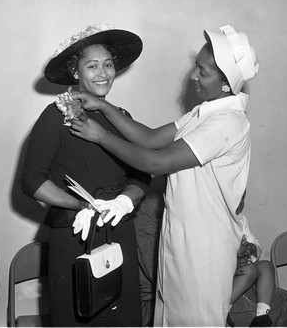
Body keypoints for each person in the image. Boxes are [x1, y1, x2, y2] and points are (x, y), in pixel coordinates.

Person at [70, 24, 260, 326]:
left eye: (203, 72)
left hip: (206, 243)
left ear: (226, 85)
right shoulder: (202, 113)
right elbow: (150, 137)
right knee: (169, 316)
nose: (193, 76)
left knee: (197, 319)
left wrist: (101, 136)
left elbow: (155, 162)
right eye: (195, 67)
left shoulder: (227, 123)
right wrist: (104, 107)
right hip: (181, 234)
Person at [20, 24, 151, 327]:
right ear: (75, 71)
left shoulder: (120, 117)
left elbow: (143, 176)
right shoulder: (55, 116)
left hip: (119, 230)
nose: (102, 73)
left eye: (108, 65)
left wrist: (122, 203)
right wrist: (80, 206)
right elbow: (33, 181)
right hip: (76, 232)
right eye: (92, 66)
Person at [228, 191, 274, 327]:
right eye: (237, 196)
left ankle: (262, 316)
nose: (240, 201)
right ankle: (223, 309)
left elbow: (256, 243)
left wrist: (250, 248)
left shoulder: (242, 219)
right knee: (250, 270)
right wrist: (235, 255)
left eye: (243, 198)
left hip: (245, 265)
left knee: (266, 266)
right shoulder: (219, 221)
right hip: (226, 268)